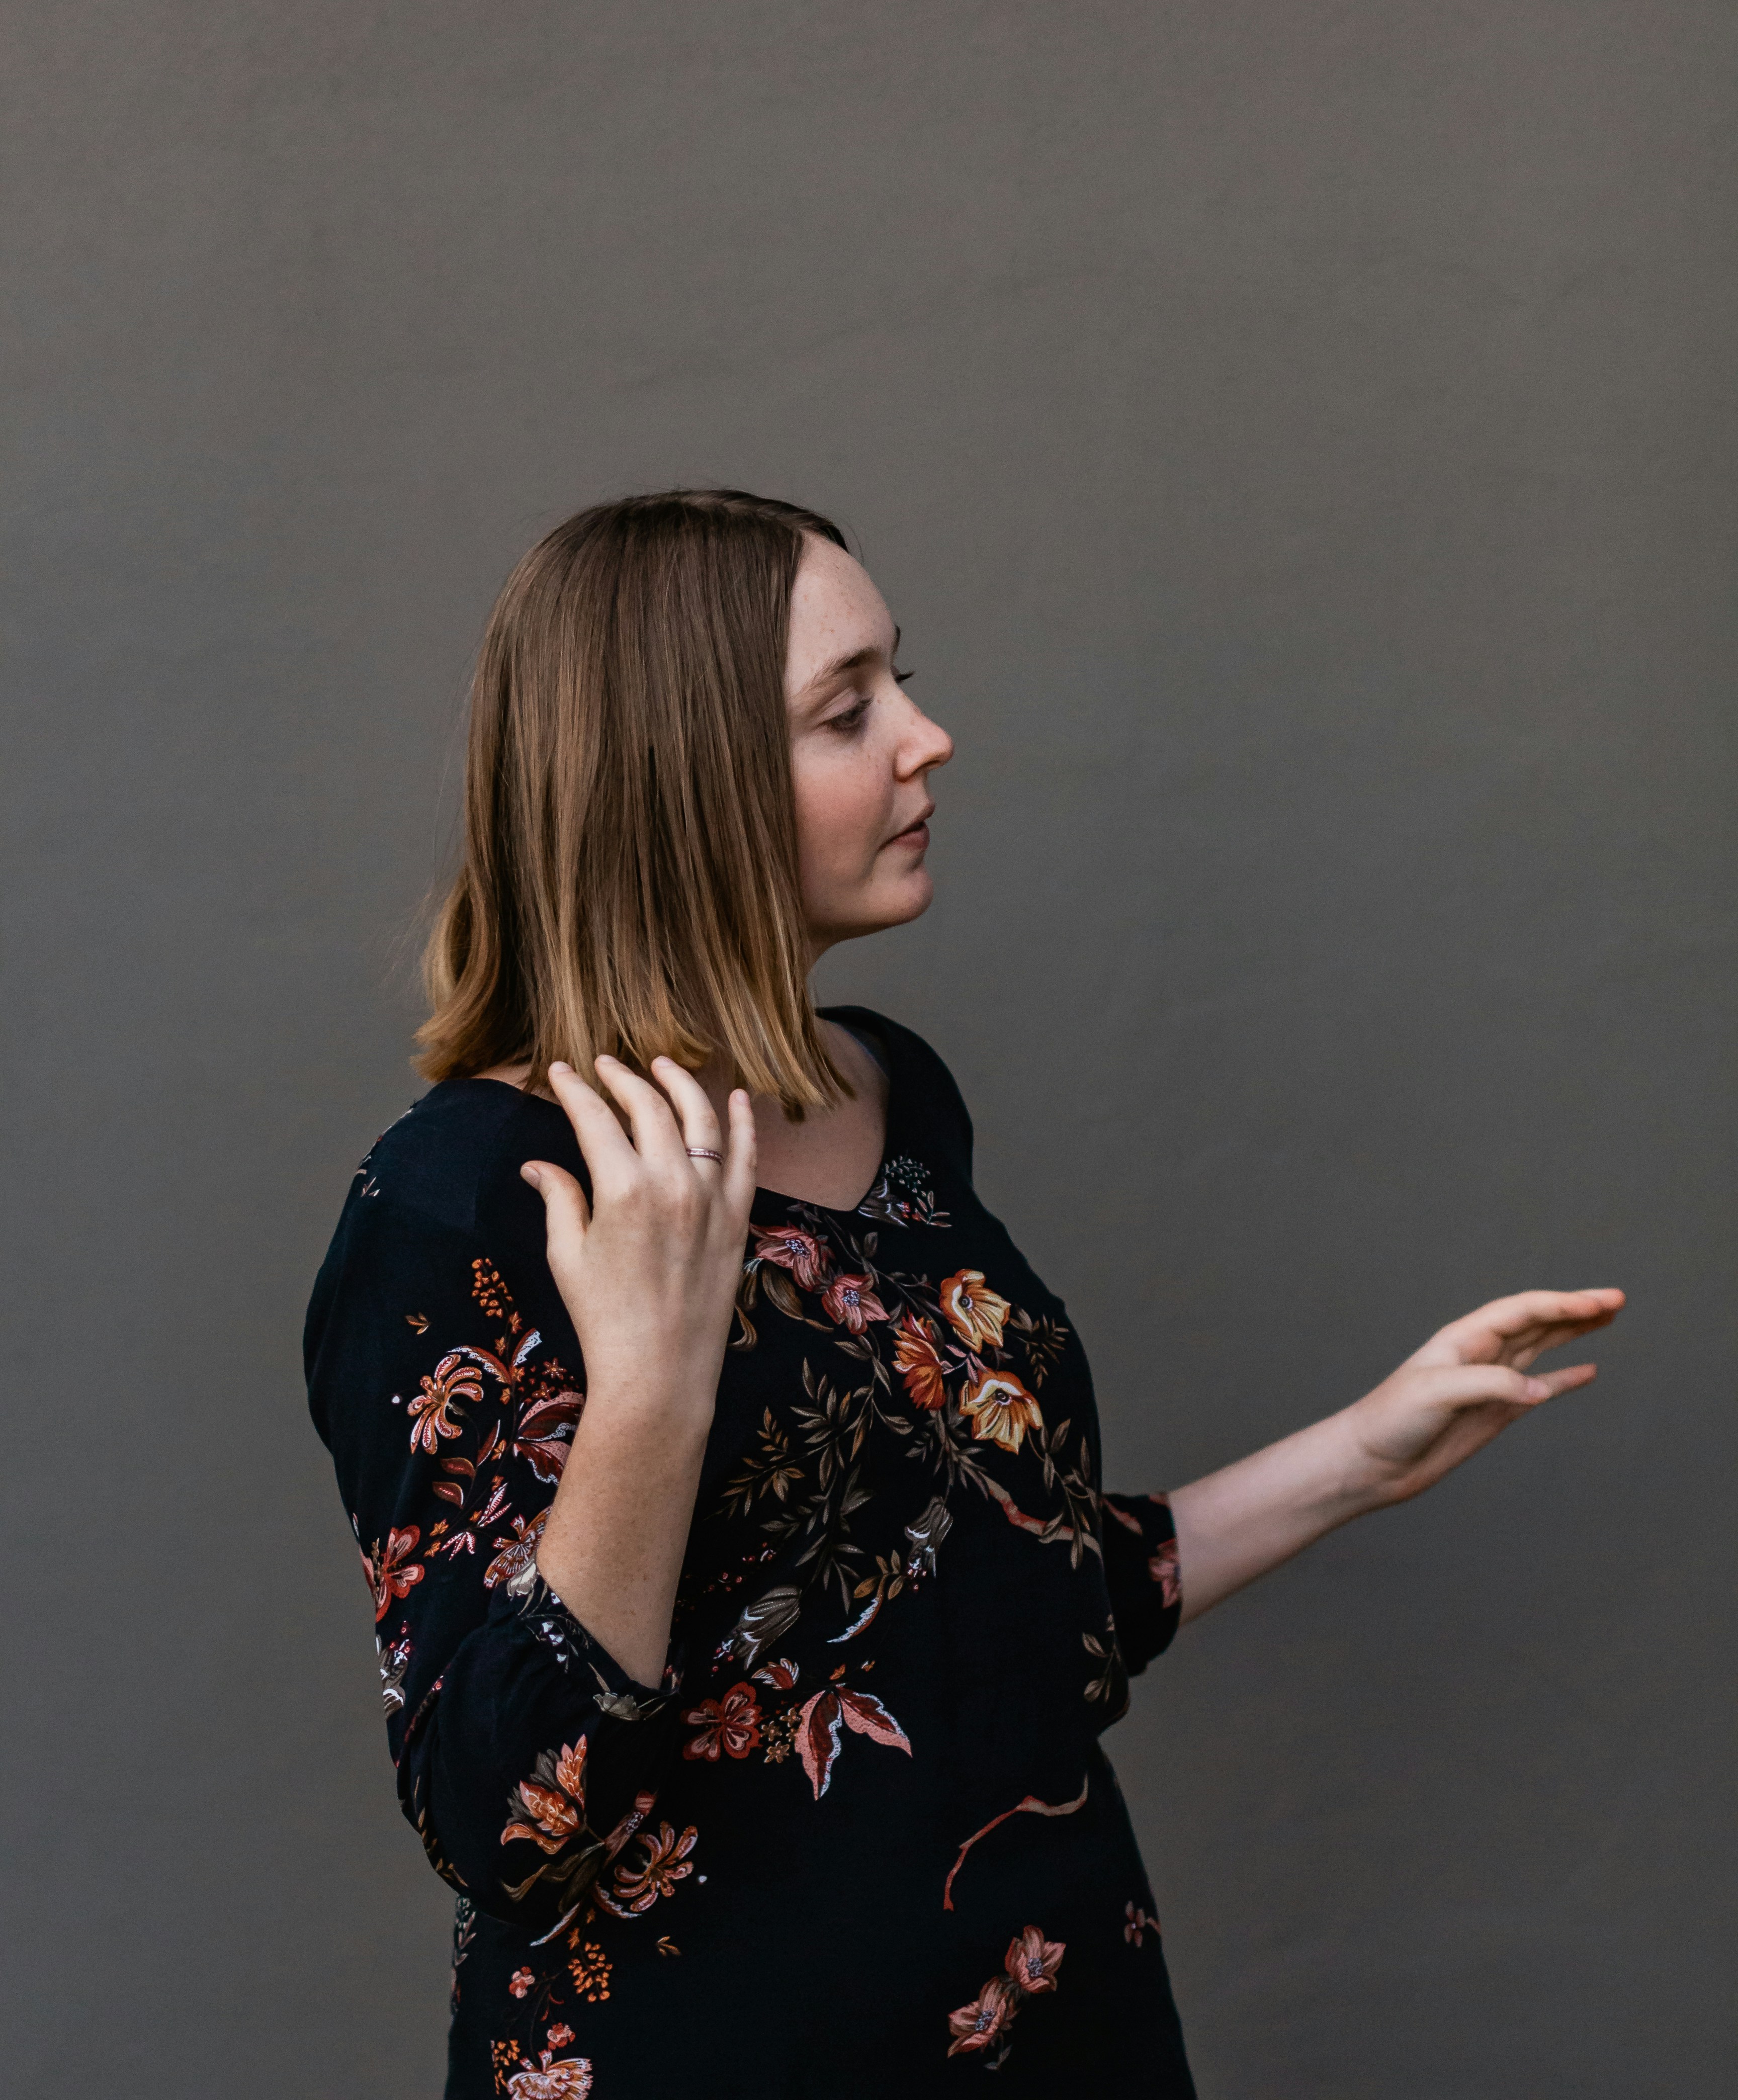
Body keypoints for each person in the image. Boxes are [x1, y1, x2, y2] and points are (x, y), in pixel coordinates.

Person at [304, 488, 1623, 2099]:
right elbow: (508, 1819)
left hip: (1067, 2028)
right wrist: (652, 1387)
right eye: (849, 712)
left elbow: (999, 1606)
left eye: (900, 685)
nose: (929, 740)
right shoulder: (467, 1201)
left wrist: (1366, 1454)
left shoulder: (890, 1093)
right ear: (685, 789)